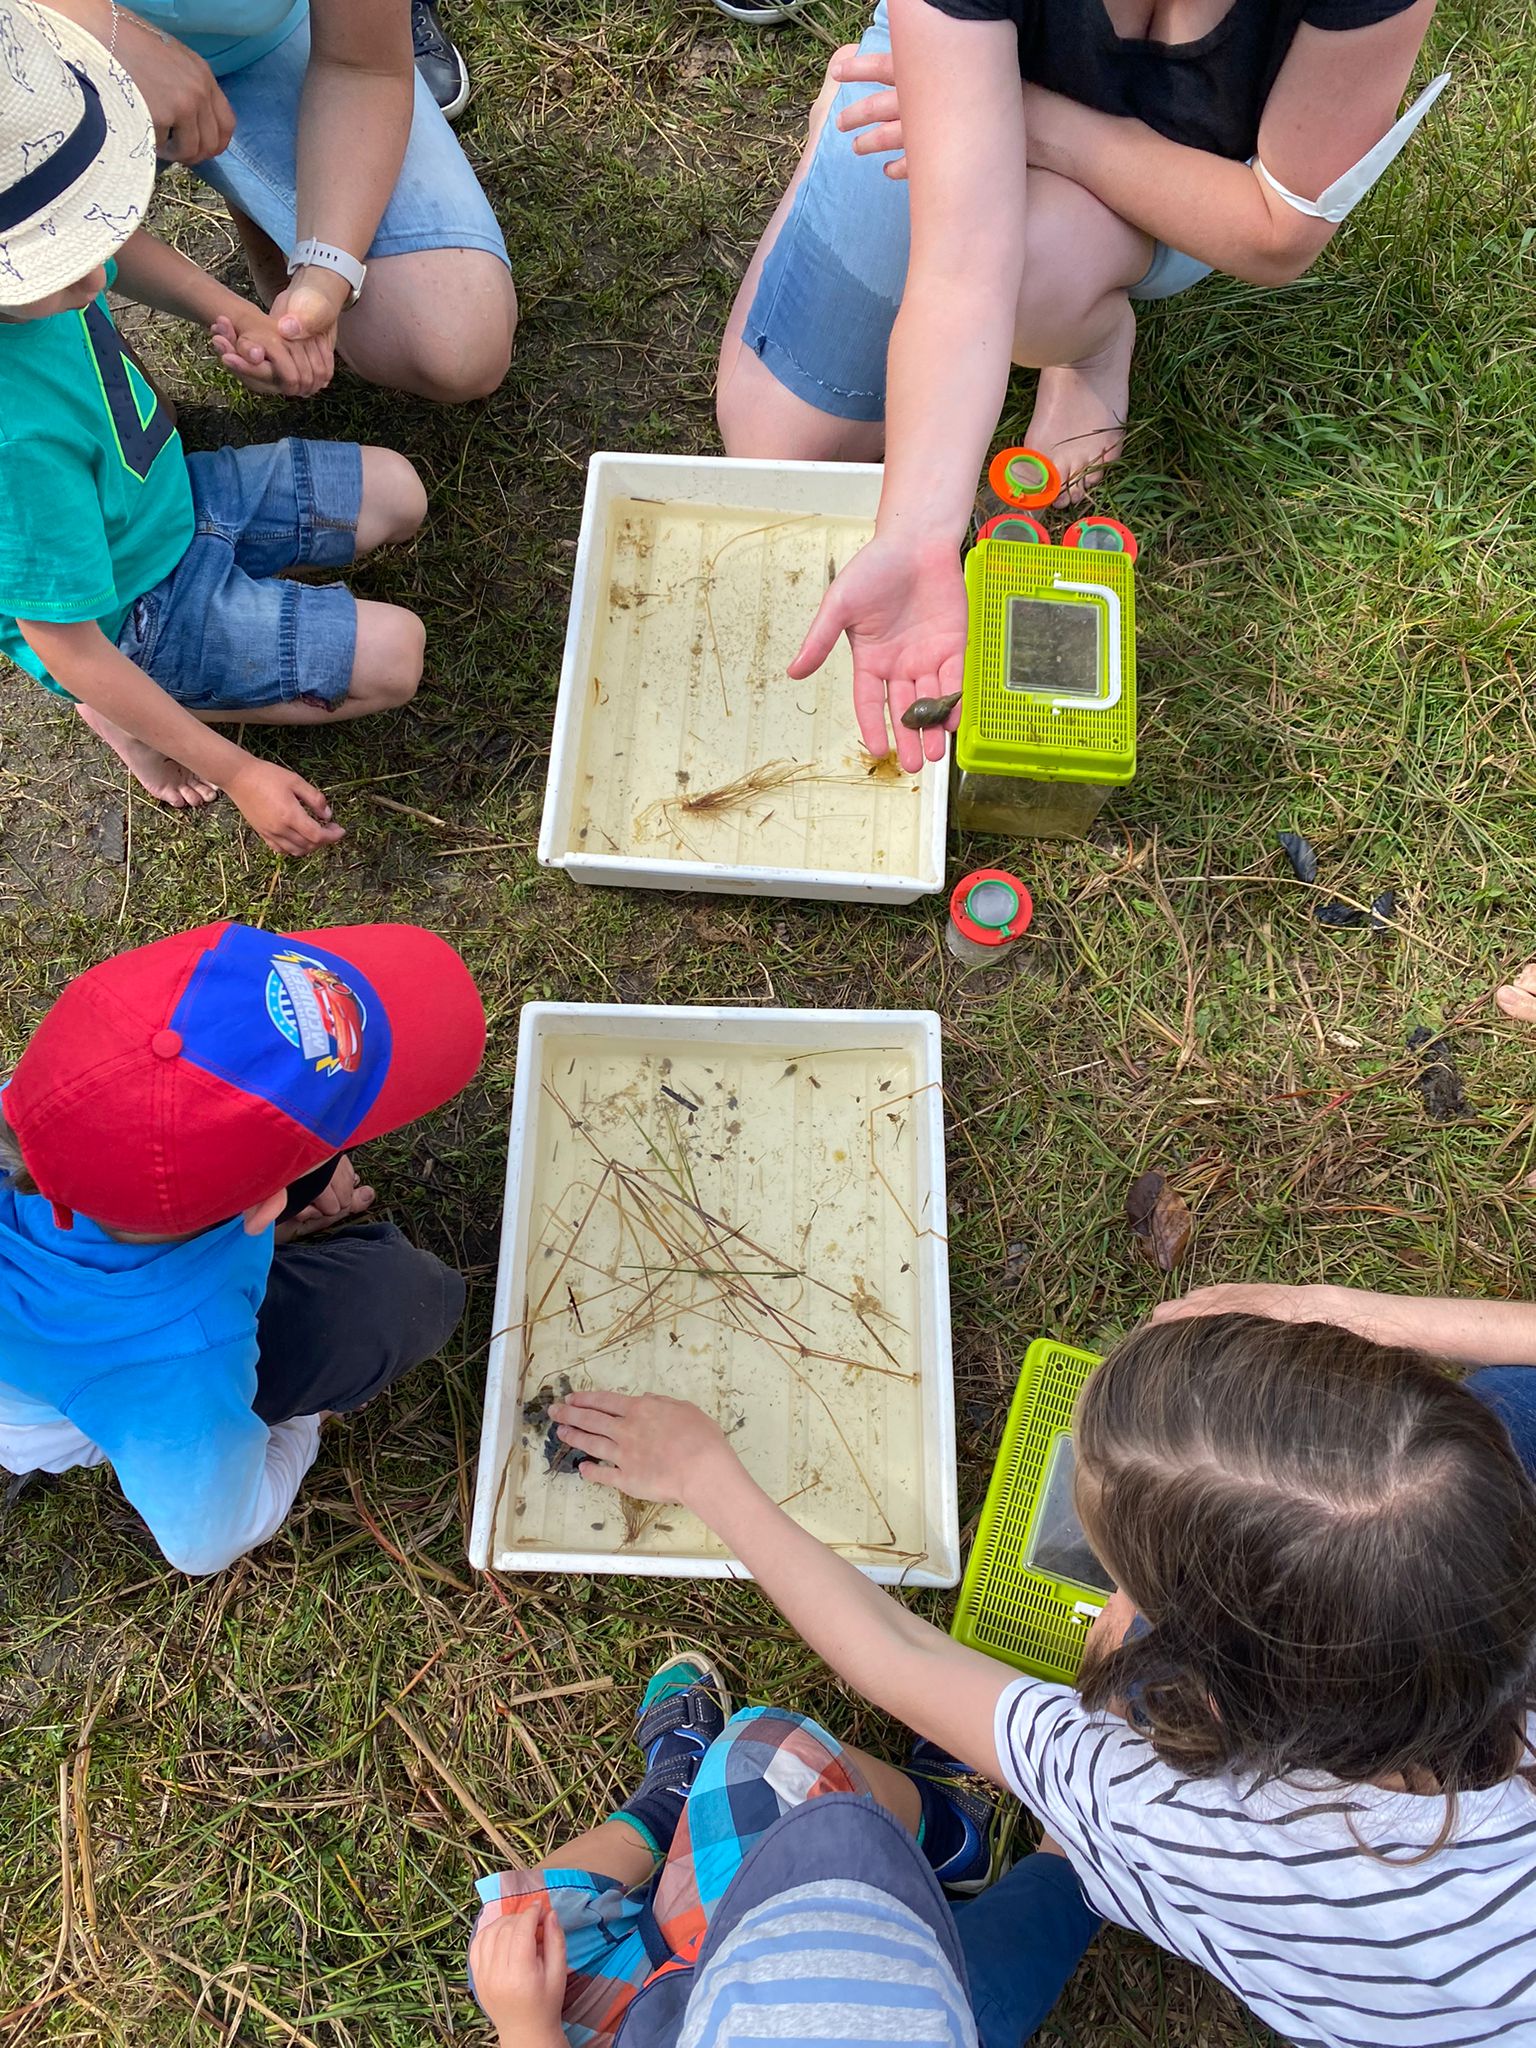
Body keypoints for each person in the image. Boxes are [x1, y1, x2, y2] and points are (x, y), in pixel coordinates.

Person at [546, 1307, 1536, 2048]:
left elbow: (898, 1652)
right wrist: (1316, 1307)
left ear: (1215, 1698)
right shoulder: (1483, 1577)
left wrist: (705, 1470)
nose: (1118, 1603)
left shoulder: (1156, 1794)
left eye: (1130, 1583)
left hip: (1295, 1922)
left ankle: (1066, 1867)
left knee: (1041, 1898)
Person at [721, 0, 1444, 769]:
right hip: (955, 73)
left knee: (1037, 265)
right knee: (782, 451)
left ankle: (1091, 342)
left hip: (1178, 191)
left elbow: (1275, 233)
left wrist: (1037, 126)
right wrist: (918, 535)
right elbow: (962, 273)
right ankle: (852, 121)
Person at [0, 3, 430, 850]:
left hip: (165, 499)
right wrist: (237, 772)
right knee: (397, 656)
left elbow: (117, 251)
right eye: (57, 268)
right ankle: (137, 718)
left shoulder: (37, 244)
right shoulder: (14, 451)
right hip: (128, 616)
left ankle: (169, 685)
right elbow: (70, 643)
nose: (92, 275)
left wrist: (234, 311)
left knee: (399, 492)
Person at [0, 917, 486, 1577]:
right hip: (87, 1386)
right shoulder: (182, 1361)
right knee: (407, 1299)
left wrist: (282, 1176)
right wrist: (300, 1427)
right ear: (263, 1206)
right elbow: (207, 1539)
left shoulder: (54, 1100)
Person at [468, 1653, 1080, 2048]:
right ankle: (954, 1833)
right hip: (862, 1975)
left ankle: (668, 1808)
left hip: (654, 2014)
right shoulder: (961, 2009)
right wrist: (1079, 1850)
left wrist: (527, 2027)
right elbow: (1040, 1919)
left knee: (517, 1941)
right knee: (770, 1760)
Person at [42, 0, 514, 401]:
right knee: (124, 430)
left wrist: (325, 277)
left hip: (268, 44)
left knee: (453, 342)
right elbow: (27, 216)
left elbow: (362, 66)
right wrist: (104, 31)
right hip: (35, 53)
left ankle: (257, 199)